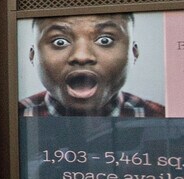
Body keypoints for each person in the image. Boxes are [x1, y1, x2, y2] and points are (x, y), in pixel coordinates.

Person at [20, 14, 166, 117]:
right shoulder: (14, 117)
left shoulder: (160, 117)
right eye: (60, 42)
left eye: (105, 40)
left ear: (133, 53)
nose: (81, 56)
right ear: (33, 56)